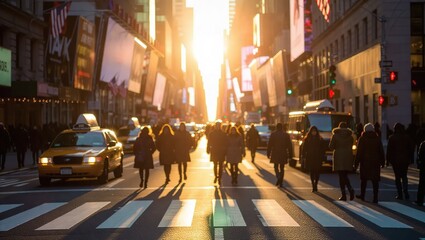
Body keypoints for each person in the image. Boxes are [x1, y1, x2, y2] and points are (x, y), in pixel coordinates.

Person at [354, 123, 385, 203]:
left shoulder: (362, 138)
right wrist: (383, 162)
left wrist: (356, 163)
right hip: (375, 162)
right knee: (375, 181)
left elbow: (359, 152)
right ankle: (375, 198)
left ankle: (362, 195)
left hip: (365, 162)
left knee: (364, 180)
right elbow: (381, 151)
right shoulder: (377, 138)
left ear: (365, 130)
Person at [329, 122, 355, 201]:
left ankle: (344, 194)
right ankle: (350, 190)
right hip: (348, 157)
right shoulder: (350, 137)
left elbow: (331, 146)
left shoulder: (335, 135)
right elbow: (352, 145)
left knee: (341, 176)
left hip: (339, 157)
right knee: (345, 175)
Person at [387, 123, 412, 200]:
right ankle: (406, 191)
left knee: (397, 177)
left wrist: (387, 161)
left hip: (395, 160)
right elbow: (410, 149)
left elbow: (389, 151)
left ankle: (400, 194)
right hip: (405, 160)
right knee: (404, 176)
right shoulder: (407, 137)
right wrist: (411, 159)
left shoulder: (392, 138)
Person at [267, 122, 293, 188]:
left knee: (276, 166)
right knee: (282, 168)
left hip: (275, 152)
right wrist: (290, 155)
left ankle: (278, 177)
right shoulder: (286, 135)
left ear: (276, 127)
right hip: (283, 153)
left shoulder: (273, 134)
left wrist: (268, 153)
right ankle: (281, 182)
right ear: (282, 127)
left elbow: (270, 144)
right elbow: (289, 146)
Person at [302, 126, 325, 192]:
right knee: (312, 172)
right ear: (310, 132)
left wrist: (322, 156)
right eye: (312, 131)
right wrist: (303, 156)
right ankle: (313, 185)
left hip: (318, 158)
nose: (314, 132)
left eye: (315, 131)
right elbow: (304, 148)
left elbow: (323, 149)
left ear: (316, 132)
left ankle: (316, 184)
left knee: (317, 172)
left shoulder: (320, 139)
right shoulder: (307, 139)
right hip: (310, 157)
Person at [207, 120, 228, 185]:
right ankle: (216, 176)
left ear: (220, 126)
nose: (218, 127)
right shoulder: (211, 133)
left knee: (221, 165)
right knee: (215, 164)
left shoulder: (223, 134)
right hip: (214, 151)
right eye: (217, 126)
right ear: (215, 126)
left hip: (221, 151)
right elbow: (209, 142)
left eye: (219, 126)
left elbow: (225, 143)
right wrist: (208, 149)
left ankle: (220, 178)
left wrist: (225, 150)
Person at [415, 139, 425, 206]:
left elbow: (419, 155)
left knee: (422, 183)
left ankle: (420, 200)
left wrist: (419, 163)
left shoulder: (423, 144)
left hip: (424, 166)